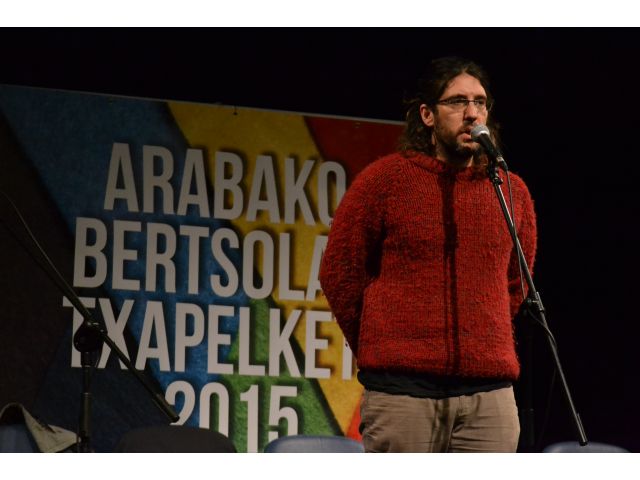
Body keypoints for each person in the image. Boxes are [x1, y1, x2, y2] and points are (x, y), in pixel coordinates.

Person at [319, 56, 537, 453]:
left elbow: (516, 281)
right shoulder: (385, 181)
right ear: (427, 115)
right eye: (457, 102)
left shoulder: (510, 190)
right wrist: (382, 342)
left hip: (489, 398)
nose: (472, 113)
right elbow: (340, 272)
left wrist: (482, 333)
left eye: (480, 102)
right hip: (404, 394)